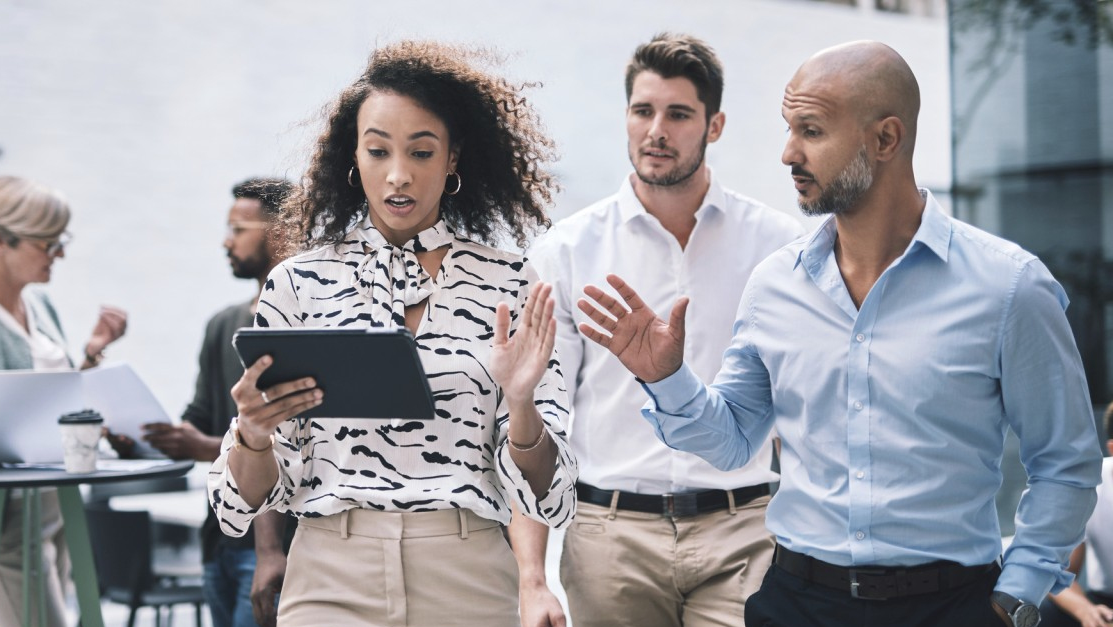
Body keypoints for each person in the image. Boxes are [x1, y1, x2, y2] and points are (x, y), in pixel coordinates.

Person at [575, 41, 1104, 627]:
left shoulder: (1010, 288)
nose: (788, 153)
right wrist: (667, 378)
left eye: (812, 130)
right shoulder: (775, 283)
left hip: (953, 606)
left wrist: (1017, 598)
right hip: (797, 600)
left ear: (885, 140)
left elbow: (1065, 463)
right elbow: (731, 442)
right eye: (788, 128)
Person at [207, 41, 578, 627]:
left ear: (453, 158)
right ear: (353, 157)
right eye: (378, 151)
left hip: (468, 575)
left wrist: (522, 402)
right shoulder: (299, 284)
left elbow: (550, 495)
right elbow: (240, 503)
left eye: (422, 152)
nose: (399, 175)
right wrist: (253, 434)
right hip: (330, 572)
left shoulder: (509, 281)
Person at [512, 33, 804, 627]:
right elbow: (540, 419)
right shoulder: (567, 251)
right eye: (643, 111)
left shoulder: (778, 247)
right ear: (626, 117)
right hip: (609, 536)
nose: (656, 131)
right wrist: (532, 580)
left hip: (743, 532)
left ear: (714, 125)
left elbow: (806, 403)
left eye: (678, 114)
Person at [0, 175, 128, 627]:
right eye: (46, 244)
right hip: (3, 514)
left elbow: (56, 402)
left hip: (55, 504)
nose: (58, 255)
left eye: (61, 242)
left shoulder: (39, 306)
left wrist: (93, 353)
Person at [141, 178, 297, 627]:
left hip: (275, 549)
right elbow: (198, 419)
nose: (225, 242)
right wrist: (153, 438)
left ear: (280, 232)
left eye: (238, 228)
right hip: (218, 544)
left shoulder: (307, 326)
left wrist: (270, 552)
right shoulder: (221, 326)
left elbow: (294, 445)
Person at [1040, 395, 1113, 627]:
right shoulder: (1090, 488)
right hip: (1111, 603)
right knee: (1043, 612)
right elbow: (1058, 573)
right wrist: (1087, 612)